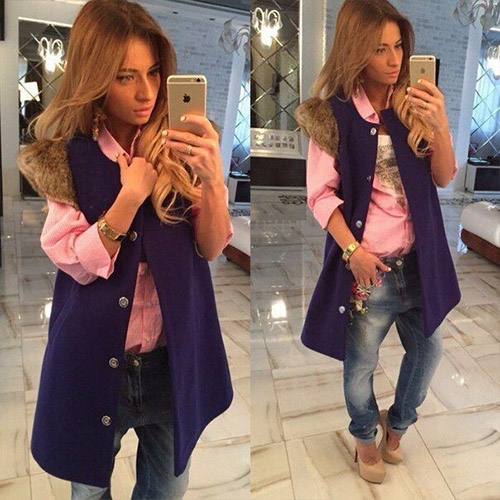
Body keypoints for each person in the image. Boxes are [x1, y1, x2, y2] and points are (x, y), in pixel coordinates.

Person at [17, 0, 235, 498]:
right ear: (95, 78)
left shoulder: (182, 150)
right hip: (96, 363)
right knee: (89, 490)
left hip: (170, 361)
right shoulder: (67, 159)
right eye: (125, 77)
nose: (147, 92)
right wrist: (129, 197)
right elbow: (74, 261)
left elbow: (208, 249)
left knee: (168, 489)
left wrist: (213, 181)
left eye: (154, 72)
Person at [295, 0, 461, 484]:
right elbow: (320, 196)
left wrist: (440, 124)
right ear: (355, 51)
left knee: (428, 353)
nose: (394, 60)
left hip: (420, 264)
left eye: (399, 47)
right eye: (380, 49)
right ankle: (364, 434)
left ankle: (397, 425)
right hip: (371, 269)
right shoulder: (333, 117)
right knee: (360, 366)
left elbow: (445, 176)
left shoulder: (414, 107)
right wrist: (354, 253)